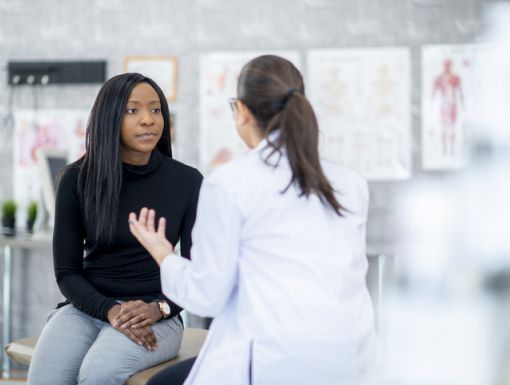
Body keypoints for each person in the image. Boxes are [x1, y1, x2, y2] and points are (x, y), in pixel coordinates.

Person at [127, 55, 380, 385]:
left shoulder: (230, 184)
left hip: (274, 364)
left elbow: (207, 297)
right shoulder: (351, 183)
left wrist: (163, 255)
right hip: (354, 361)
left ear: (242, 112)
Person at [27, 73, 203, 385]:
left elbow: (196, 272)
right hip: (88, 308)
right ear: (110, 118)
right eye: (133, 110)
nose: (148, 120)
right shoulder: (75, 179)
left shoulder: (188, 182)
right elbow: (66, 272)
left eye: (155, 109)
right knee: (46, 378)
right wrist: (110, 311)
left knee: (98, 374)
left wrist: (158, 308)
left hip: (158, 314)